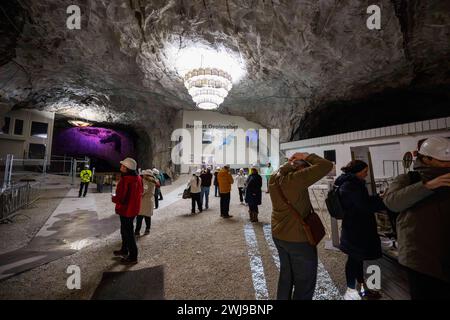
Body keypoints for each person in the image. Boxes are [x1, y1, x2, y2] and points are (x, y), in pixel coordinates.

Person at [383, 136, 450, 300]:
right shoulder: (408, 179)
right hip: (420, 260)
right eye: (443, 161)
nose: (448, 165)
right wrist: (427, 186)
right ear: (426, 159)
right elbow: (392, 203)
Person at [269, 152, 333, 300]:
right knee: (305, 282)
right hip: (297, 238)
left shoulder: (274, 177)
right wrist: (306, 156)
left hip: (279, 234)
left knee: (287, 275)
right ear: (300, 170)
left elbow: (284, 169)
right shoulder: (296, 179)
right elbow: (326, 165)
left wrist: (290, 162)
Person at [335, 160, 386, 300]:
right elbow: (364, 207)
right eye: (364, 171)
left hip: (354, 227)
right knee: (353, 260)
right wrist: (384, 202)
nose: (366, 174)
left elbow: (362, 201)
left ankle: (361, 287)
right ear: (357, 172)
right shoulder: (352, 185)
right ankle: (352, 291)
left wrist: (377, 197)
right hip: (356, 229)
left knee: (357, 259)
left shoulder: (351, 183)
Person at [111, 157, 143, 264]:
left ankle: (133, 256)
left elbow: (121, 198)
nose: (121, 166)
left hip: (125, 210)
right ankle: (124, 250)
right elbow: (141, 192)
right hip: (133, 209)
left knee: (128, 233)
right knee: (125, 230)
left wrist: (113, 198)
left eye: (123, 165)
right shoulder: (138, 178)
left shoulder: (125, 180)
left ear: (127, 168)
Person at [135, 169, 157, 236]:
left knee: (139, 217)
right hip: (149, 201)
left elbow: (144, 191)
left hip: (143, 202)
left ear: (146, 175)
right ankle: (147, 229)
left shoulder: (146, 181)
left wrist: (138, 195)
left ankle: (137, 231)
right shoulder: (153, 181)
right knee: (147, 217)